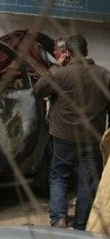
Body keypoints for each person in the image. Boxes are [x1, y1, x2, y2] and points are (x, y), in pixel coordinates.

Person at [34, 34, 109, 230]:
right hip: (92, 139)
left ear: (67, 53)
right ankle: (81, 225)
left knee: (59, 177)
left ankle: (59, 219)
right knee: (88, 182)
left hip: (63, 137)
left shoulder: (61, 74)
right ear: (87, 51)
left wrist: (57, 66)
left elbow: (38, 89)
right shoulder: (104, 75)